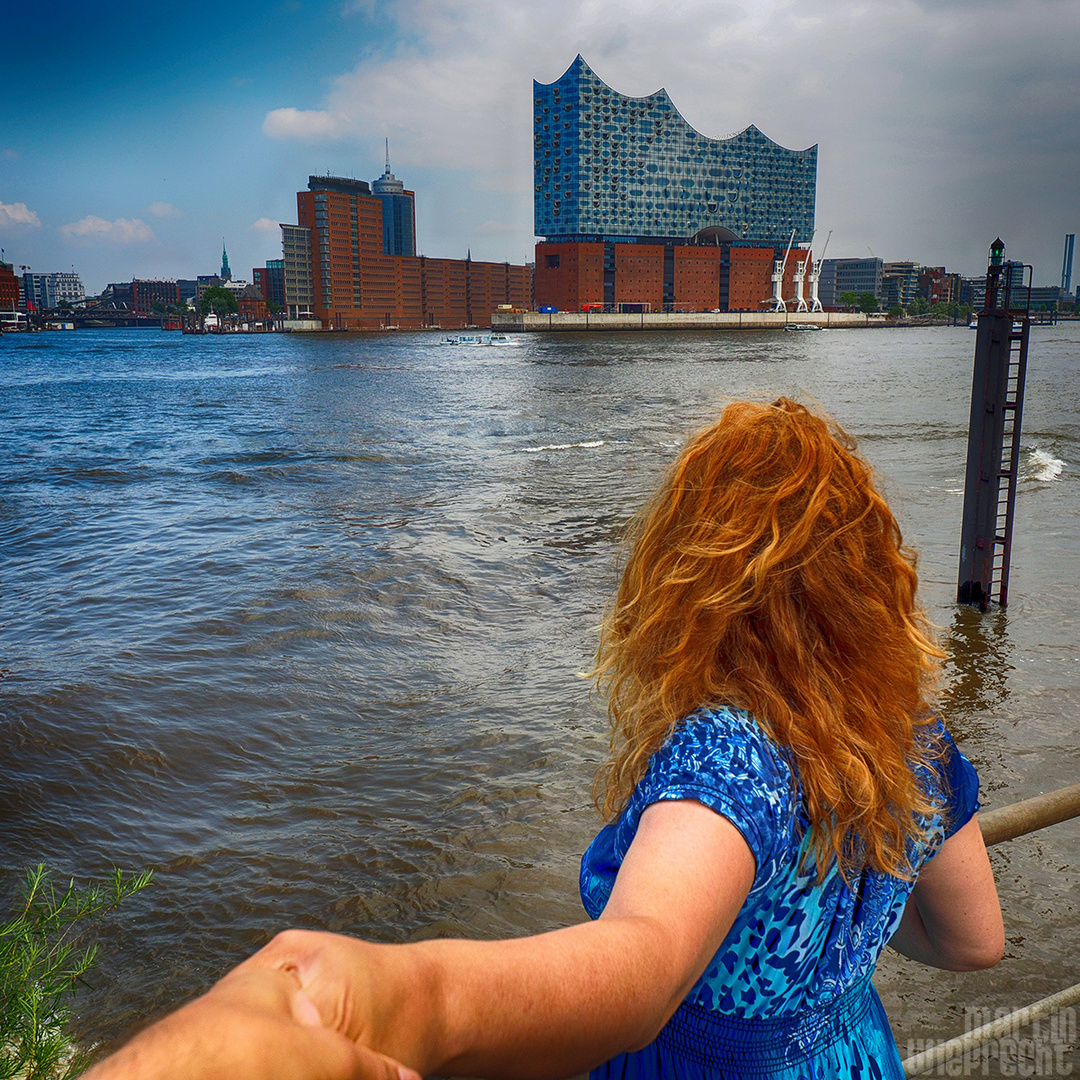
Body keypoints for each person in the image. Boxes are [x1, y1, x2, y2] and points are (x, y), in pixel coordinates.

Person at [84, 398, 1003, 1080]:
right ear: (869, 579)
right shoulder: (912, 738)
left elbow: (639, 967)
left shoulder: (734, 754)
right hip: (854, 1056)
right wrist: (825, 970)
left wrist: (412, 999)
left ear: (691, 576)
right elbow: (973, 942)